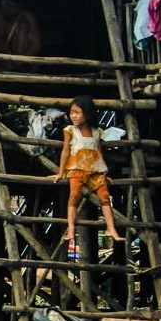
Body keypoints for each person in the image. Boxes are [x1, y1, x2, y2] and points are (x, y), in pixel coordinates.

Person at [52, 96, 125, 248]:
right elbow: (65, 152)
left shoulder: (96, 132)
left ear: (87, 114)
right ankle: (71, 228)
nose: (73, 116)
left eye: (77, 113)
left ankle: (111, 228)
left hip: (94, 170)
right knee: (74, 195)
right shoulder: (70, 130)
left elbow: (99, 153)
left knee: (105, 196)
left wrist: (104, 173)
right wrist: (61, 172)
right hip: (76, 168)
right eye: (71, 112)